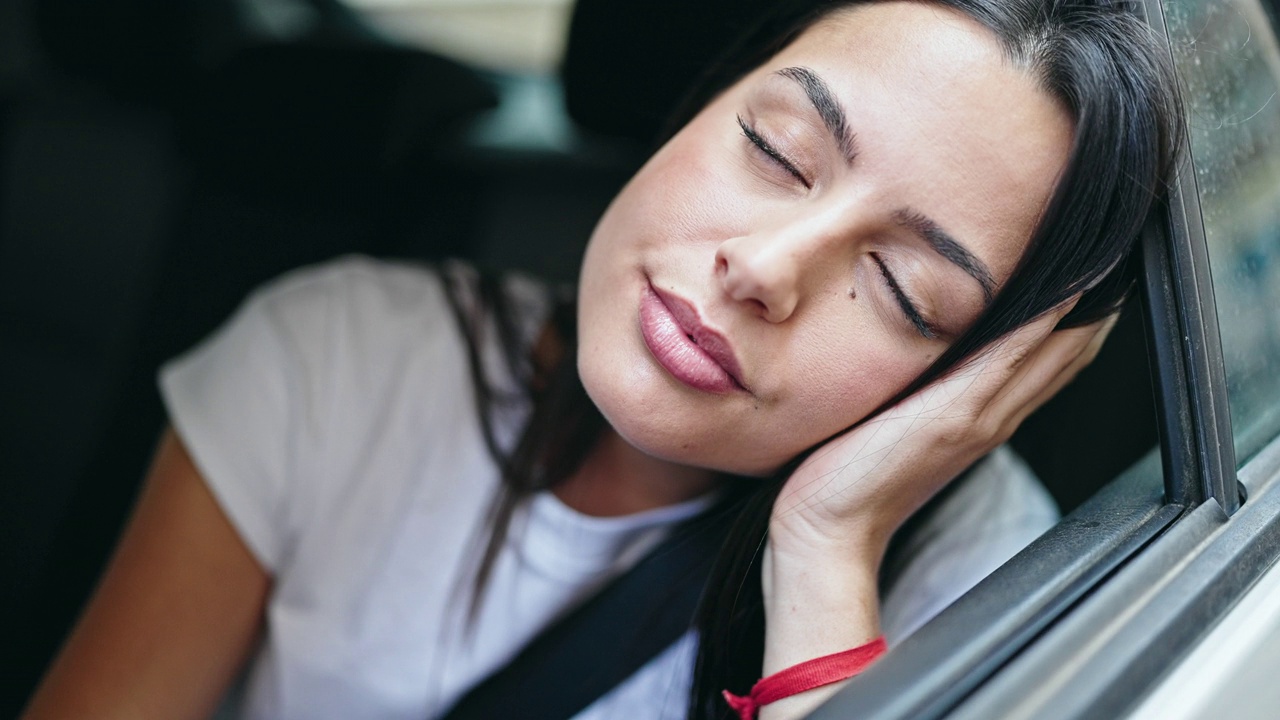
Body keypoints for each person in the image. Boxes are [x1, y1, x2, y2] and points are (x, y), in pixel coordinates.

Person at [22, 1, 1180, 719]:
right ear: (699, 102)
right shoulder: (339, 357)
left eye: (900, 290)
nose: (765, 269)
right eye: (775, 148)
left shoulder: (982, 579)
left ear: (976, 372)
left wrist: (827, 548)